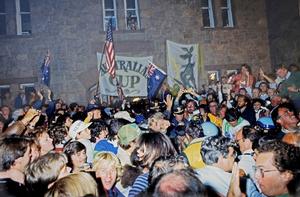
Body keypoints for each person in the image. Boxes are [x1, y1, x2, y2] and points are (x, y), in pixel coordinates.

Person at [128, 132, 177, 197]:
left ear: (155, 152)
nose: (137, 151)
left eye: (142, 150)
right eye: (138, 148)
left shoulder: (144, 180)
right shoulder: (181, 172)